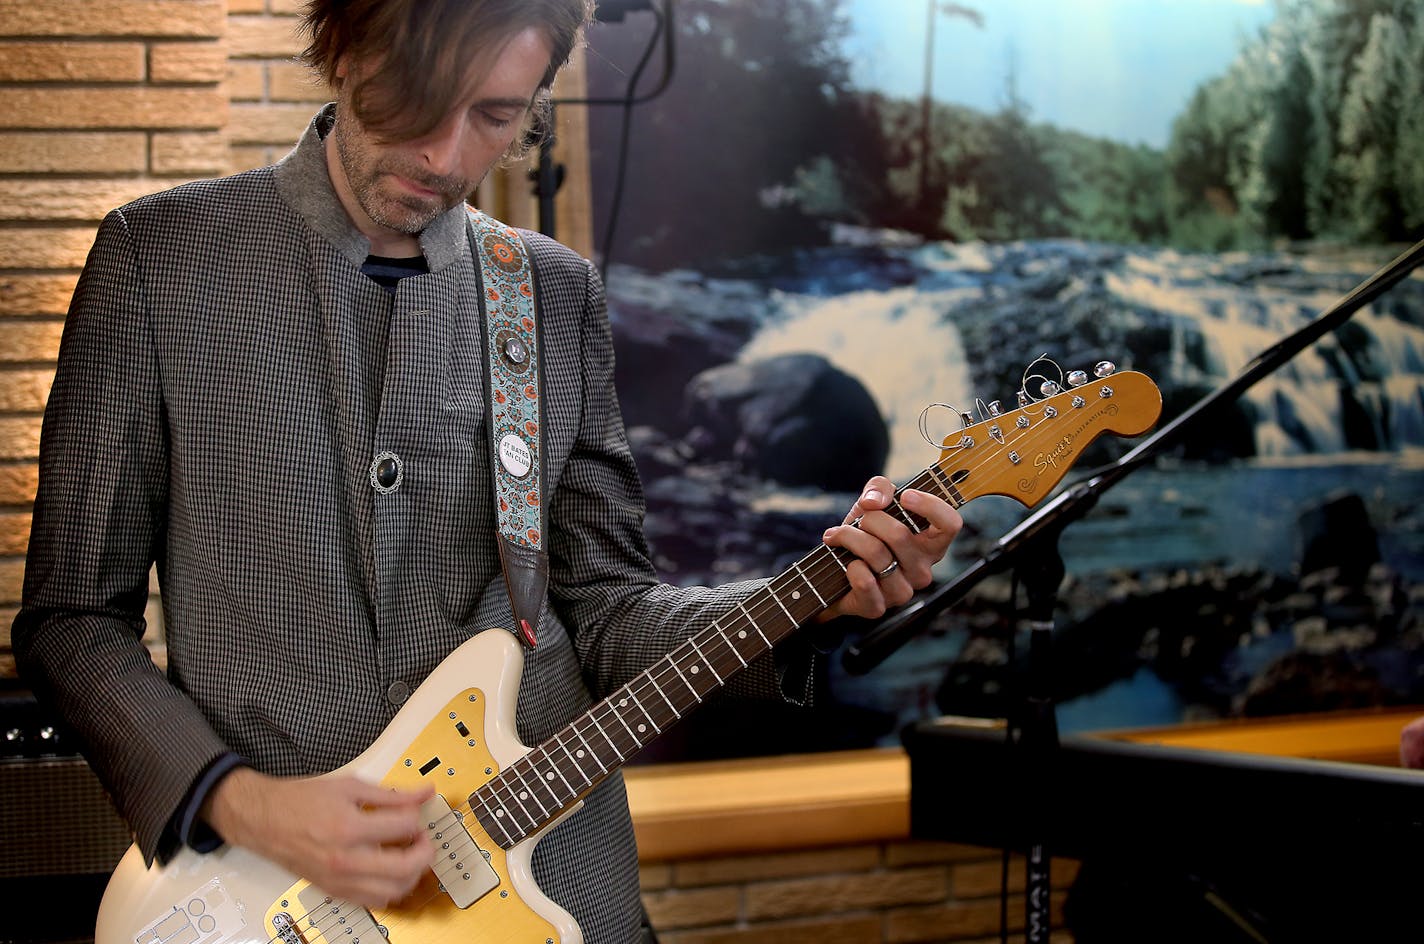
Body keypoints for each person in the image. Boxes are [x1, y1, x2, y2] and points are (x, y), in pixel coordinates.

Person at [12, 1, 962, 942]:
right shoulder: (160, 261)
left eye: (496, 117)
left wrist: (810, 600)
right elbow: (71, 621)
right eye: (418, 102)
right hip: (268, 899)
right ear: (343, 50)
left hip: (557, 888)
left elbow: (609, 610)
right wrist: (241, 802)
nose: (447, 157)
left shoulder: (552, 290)